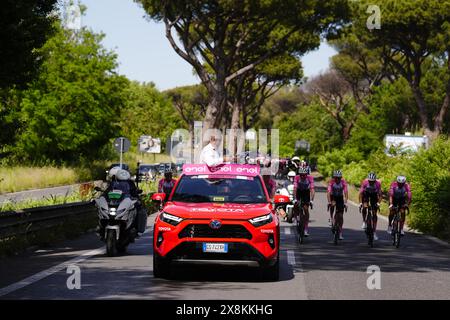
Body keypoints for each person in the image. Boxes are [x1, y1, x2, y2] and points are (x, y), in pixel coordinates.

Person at [358, 172, 382, 240]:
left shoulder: (378, 184)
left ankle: (374, 232)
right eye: (370, 181)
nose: (371, 182)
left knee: (374, 214)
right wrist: (360, 203)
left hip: (374, 196)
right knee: (365, 206)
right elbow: (361, 194)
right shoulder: (365, 182)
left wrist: (378, 203)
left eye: (372, 181)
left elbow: (380, 195)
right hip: (366, 195)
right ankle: (364, 221)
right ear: (368, 180)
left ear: (375, 181)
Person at [293, 167, 315, 236]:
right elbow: (295, 189)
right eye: (301, 175)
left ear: (306, 174)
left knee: (306, 209)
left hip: (306, 192)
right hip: (299, 192)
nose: (302, 176)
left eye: (304, 175)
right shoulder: (296, 177)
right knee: (296, 205)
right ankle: (296, 218)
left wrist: (311, 200)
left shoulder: (310, 178)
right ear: (299, 174)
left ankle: (305, 229)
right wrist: (295, 199)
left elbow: (312, 190)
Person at [327, 170, 348, 240]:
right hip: (333, 196)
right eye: (336, 178)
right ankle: (331, 217)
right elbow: (328, 193)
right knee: (332, 205)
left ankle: (340, 232)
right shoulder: (331, 182)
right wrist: (329, 202)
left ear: (341, 178)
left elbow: (346, 193)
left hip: (340, 198)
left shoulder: (343, 182)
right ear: (334, 178)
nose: (337, 179)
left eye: (339, 178)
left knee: (341, 216)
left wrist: (345, 202)